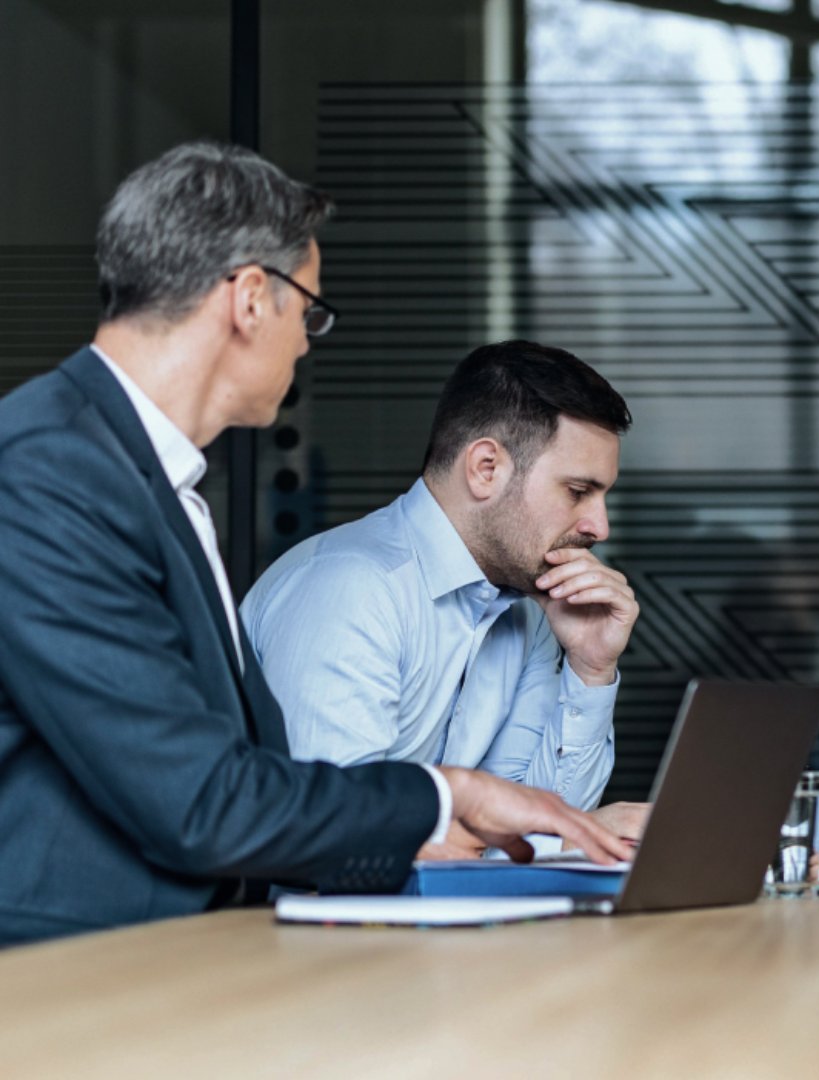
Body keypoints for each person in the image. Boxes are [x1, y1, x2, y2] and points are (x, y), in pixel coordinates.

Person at [0, 141, 623, 946]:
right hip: (76, 982)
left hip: (164, 964)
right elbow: (201, 802)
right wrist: (446, 794)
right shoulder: (49, 472)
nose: (306, 343)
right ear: (251, 299)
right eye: (309, 311)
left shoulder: (134, 474)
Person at [243, 341, 647, 855]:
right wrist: (575, 834)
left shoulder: (530, 611)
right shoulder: (353, 589)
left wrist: (589, 670)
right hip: (310, 931)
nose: (600, 527)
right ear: (485, 468)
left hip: (442, 924)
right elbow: (336, 840)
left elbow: (526, 823)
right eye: (577, 491)